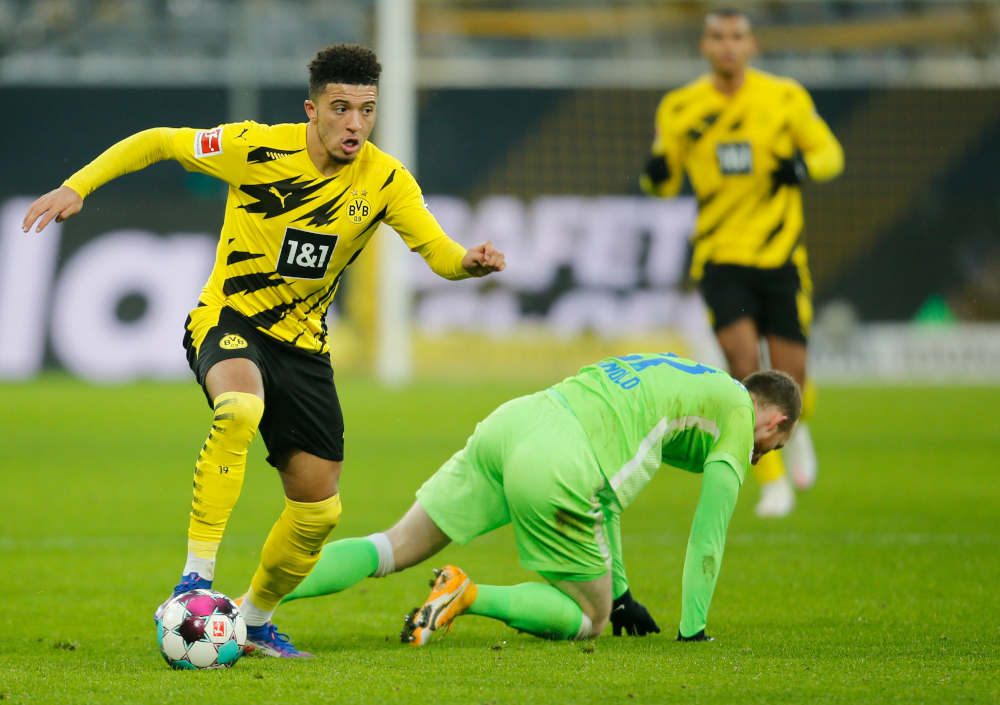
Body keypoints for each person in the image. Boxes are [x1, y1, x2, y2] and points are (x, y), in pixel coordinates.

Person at [22, 44, 505, 657]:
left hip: (303, 348)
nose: (354, 124)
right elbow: (159, 141)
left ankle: (253, 620)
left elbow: (436, 250)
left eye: (367, 110)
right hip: (229, 320)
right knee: (240, 409)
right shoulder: (256, 147)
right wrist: (77, 185)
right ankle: (195, 579)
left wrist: (467, 262)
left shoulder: (386, 180)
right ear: (312, 110)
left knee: (318, 512)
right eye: (340, 108)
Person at [276, 354, 800, 644]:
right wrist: (693, 630)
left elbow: (606, 506)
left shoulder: (686, 380)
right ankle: (466, 594)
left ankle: (246, 605)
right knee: (590, 619)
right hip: (561, 460)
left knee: (391, 546)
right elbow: (708, 534)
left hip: (515, 422)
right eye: (773, 448)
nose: (761, 457)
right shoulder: (737, 418)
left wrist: (622, 593)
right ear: (776, 422)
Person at [640, 9, 843, 517]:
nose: (727, 45)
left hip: (780, 257)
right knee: (744, 372)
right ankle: (773, 484)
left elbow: (830, 154)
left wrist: (801, 166)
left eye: (736, 36)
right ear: (704, 46)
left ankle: (799, 426)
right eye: (718, 37)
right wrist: (656, 172)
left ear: (752, 45)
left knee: (793, 378)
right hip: (720, 257)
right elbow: (661, 181)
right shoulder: (681, 106)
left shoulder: (784, 97)